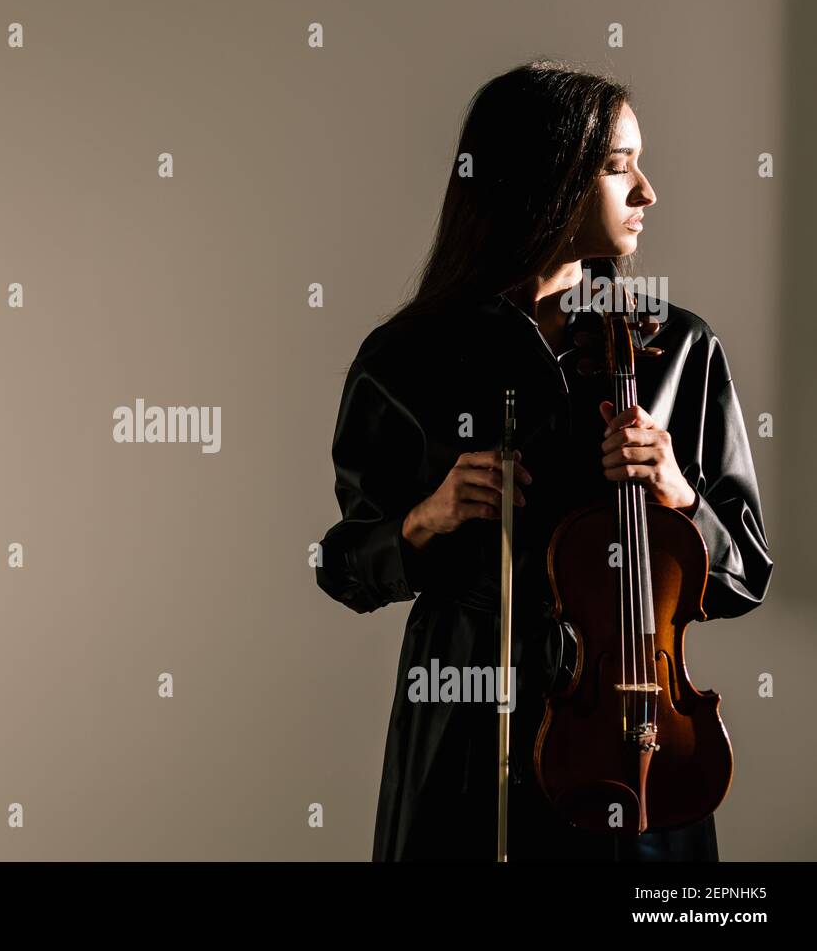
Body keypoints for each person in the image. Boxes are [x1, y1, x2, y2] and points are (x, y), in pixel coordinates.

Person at [313, 61, 774, 861]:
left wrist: (677, 492)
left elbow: (744, 575)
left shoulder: (678, 349)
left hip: (633, 734)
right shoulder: (406, 357)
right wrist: (425, 520)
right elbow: (343, 566)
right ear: (544, 179)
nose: (647, 193)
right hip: (464, 735)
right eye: (618, 167)